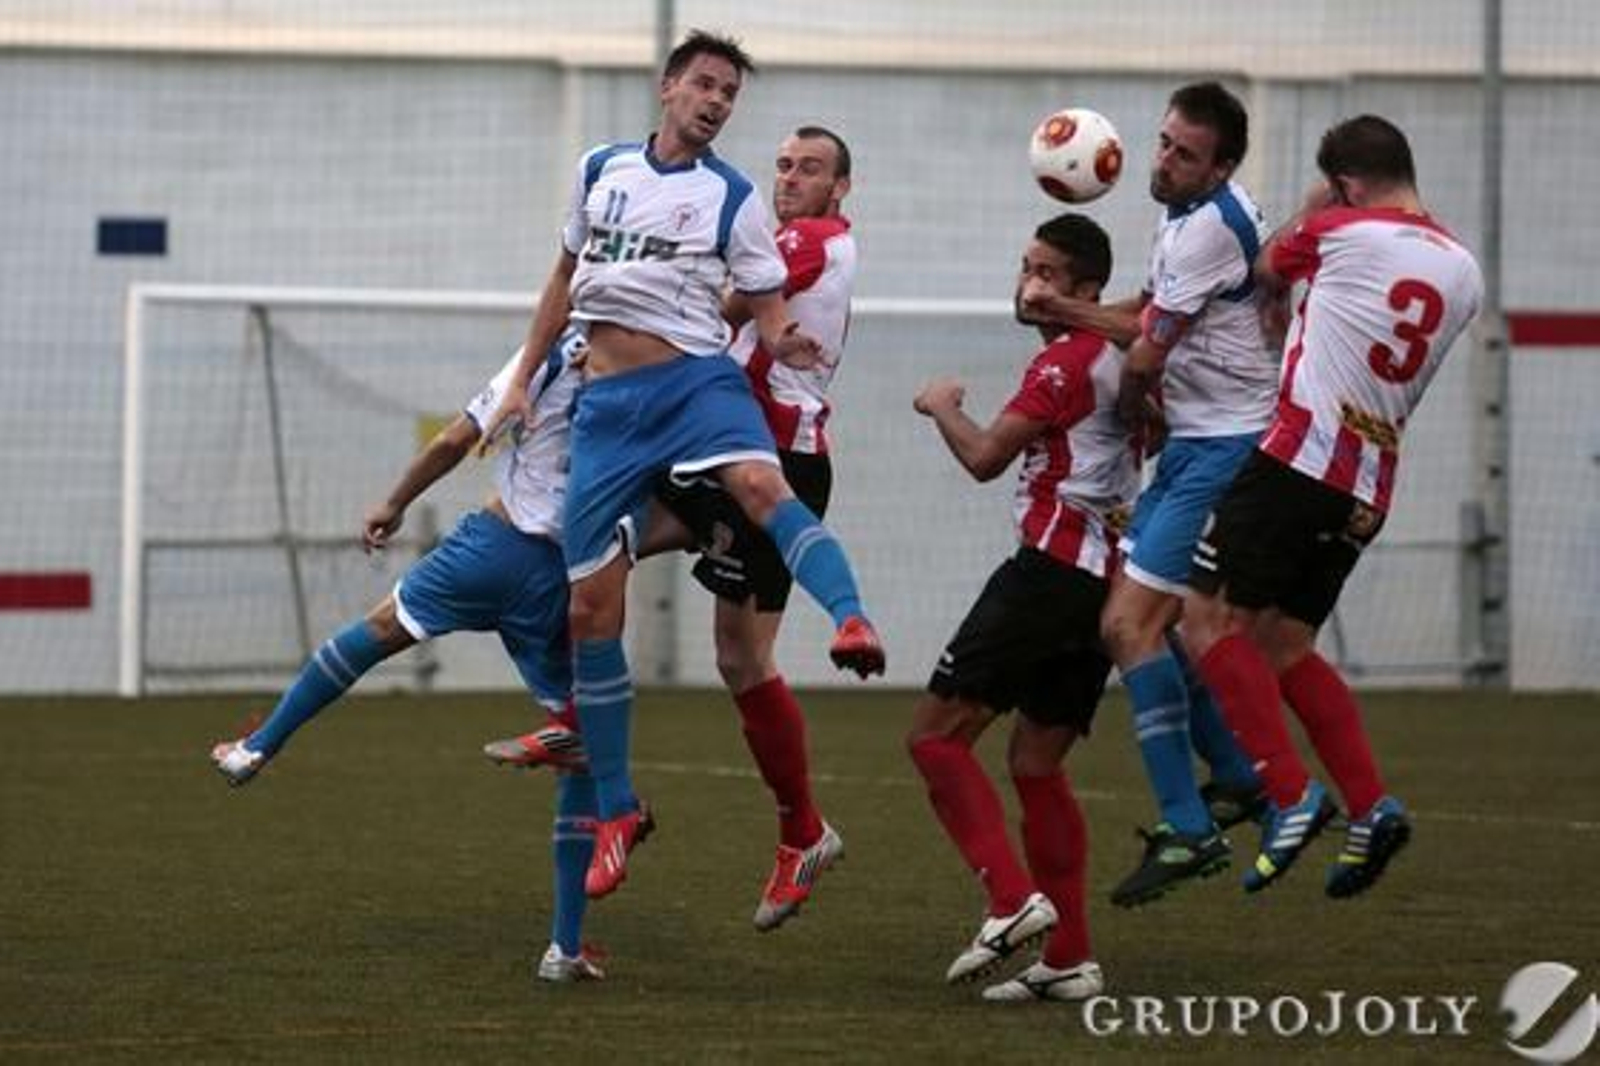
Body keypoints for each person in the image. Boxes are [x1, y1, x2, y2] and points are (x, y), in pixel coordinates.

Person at [479, 31, 883, 903]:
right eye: (704, 85)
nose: (715, 102)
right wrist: (523, 379)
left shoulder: (763, 215)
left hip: (724, 412)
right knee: (586, 585)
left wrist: (776, 331)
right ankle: (601, 764)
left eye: (728, 92)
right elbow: (567, 276)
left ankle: (846, 642)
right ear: (668, 88)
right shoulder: (604, 171)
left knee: (750, 577)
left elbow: (753, 300)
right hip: (636, 424)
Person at [209, 328, 609, 983]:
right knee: (580, 748)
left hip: (493, 548)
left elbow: (456, 439)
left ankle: (257, 747)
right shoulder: (656, 365)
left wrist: (393, 503)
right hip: (563, 576)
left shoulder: (555, 347)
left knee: (380, 629)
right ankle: (563, 947)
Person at [1183, 115, 1484, 898]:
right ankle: (1371, 805)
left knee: (1201, 618)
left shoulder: (1340, 232)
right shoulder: (1464, 269)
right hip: (1369, 484)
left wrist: (1319, 200)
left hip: (1298, 460)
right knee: (1284, 645)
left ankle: (1288, 793)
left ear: (1347, 184)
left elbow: (1265, 264)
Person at [1022, 81, 1274, 907]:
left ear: (1223, 164)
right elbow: (1150, 312)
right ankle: (1237, 779)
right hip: (1201, 445)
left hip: (1224, 449)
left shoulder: (1208, 228)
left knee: (1127, 624)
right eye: (1163, 142)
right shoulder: (1189, 215)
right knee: (1155, 628)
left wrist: (1063, 311)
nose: (1162, 161)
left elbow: (1142, 347)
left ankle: (1189, 827)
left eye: (1183, 153)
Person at [908, 213, 1133, 1003]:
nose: (1027, 285)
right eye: (1024, 268)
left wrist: (940, 404)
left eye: (1045, 273)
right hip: (1101, 584)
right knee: (1036, 765)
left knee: (935, 741)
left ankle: (1009, 901)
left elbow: (984, 456)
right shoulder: (1118, 360)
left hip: (1048, 574)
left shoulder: (1069, 362)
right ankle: (1070, 956)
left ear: (1086, 291)